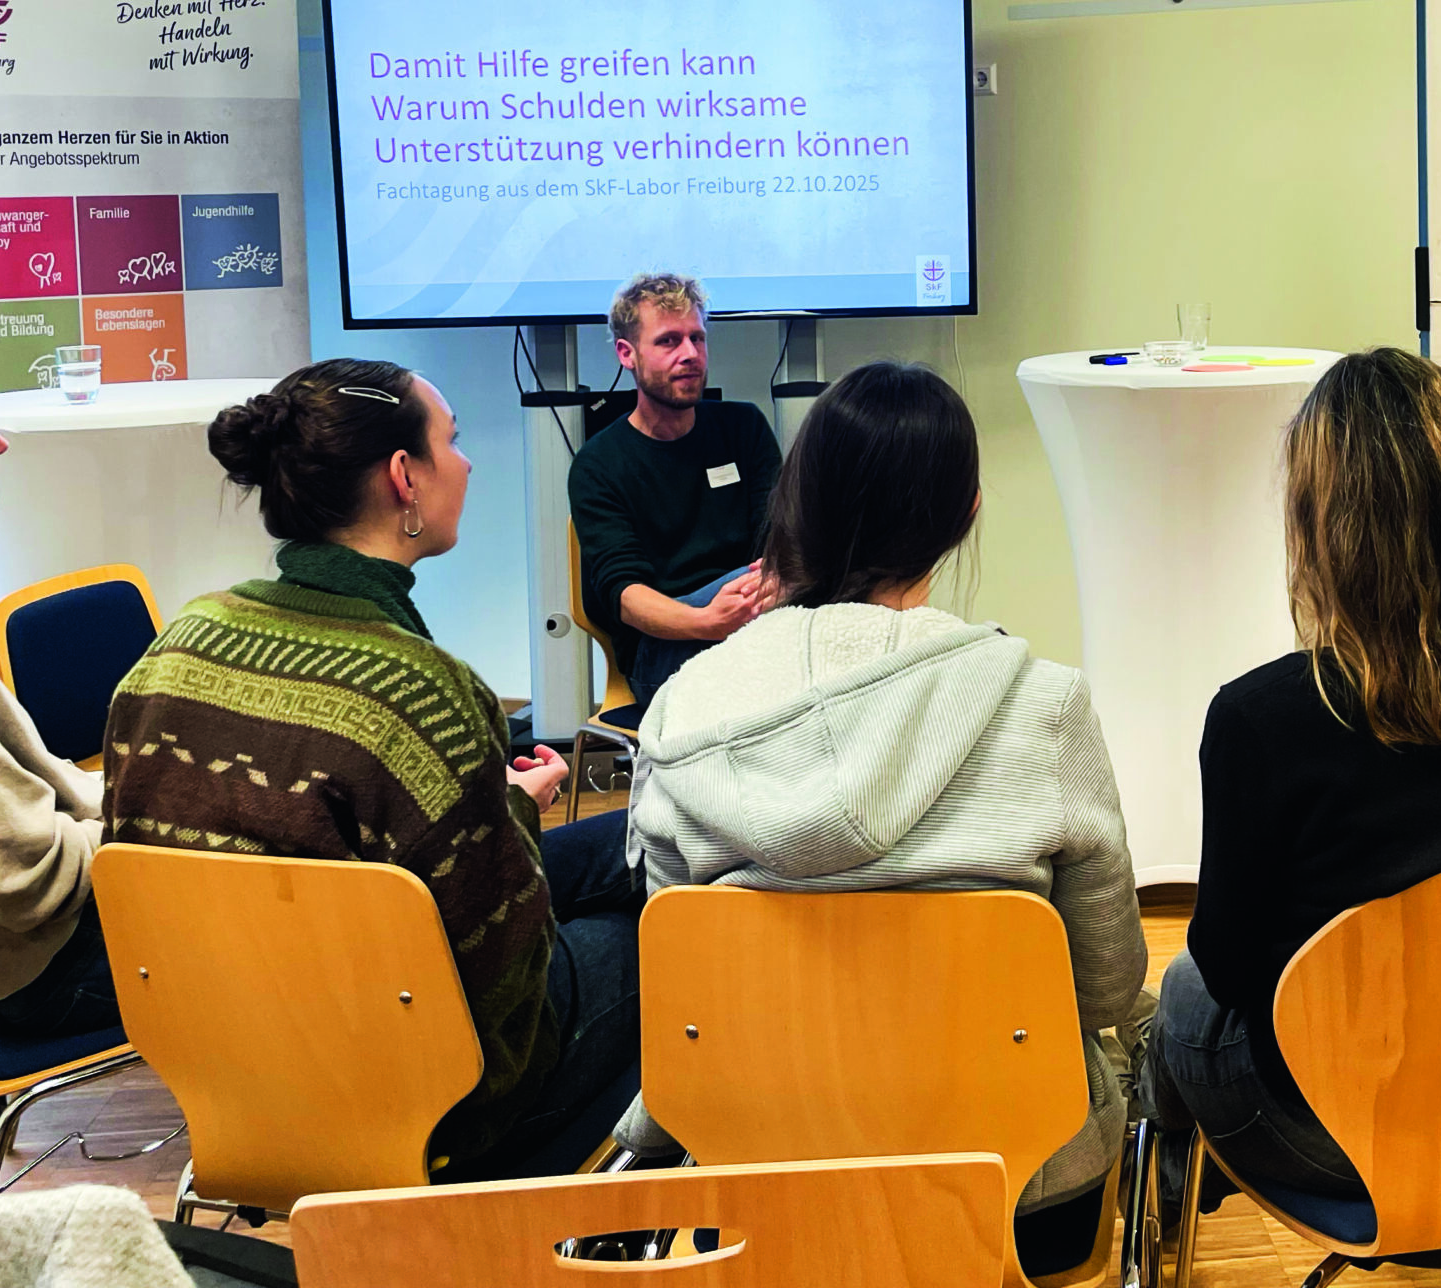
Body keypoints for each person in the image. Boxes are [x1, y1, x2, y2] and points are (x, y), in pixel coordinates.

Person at [616, 359, 1147, 1277]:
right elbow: (1103, 991)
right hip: (1021, 1190)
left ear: (794, 506)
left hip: (756, 1190)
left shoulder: (683, 712)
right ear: (965, 514)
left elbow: (677, 984)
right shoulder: (1044, 706)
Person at [1138, 347, 1441, 1254]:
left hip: (1337, 1136)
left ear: (1318, 524)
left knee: (1179, 989)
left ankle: (1163, 1198)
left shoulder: (1261, 717)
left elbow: (1233, 969)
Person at [104, 359, 641, 1181]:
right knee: (657, 927)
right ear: (404, 478)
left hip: (235, 1072)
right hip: (432, 1102)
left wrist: (485, 807)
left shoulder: (174, 647)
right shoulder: (422, 693)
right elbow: (502, 970)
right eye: (452, 441)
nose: (467, 463)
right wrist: (509, 814)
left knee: (625, 844)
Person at [0, 361, 119, 1042]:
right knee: (271, 944)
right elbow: (14, 876)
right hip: (30, 977)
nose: (2, 445)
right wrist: (136, 832)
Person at [567, 273, 782, 709]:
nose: (690, 354)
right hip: (663, 648)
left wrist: (770, 589)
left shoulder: (743, 428)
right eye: (669, 341)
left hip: (753, 623)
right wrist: (708, 621)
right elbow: (626, 596)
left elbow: (780, 539)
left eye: (697, 339)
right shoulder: (598, 464)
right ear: (627, 354)